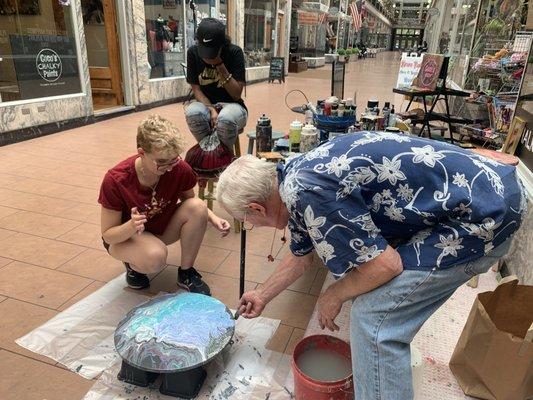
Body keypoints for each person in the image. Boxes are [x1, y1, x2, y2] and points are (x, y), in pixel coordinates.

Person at [215, 132, 526, 399]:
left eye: (249, 222)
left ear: (256, 208)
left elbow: (385, 266)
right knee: (370, 301)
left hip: (485, 216)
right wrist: (262, 294)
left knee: (373, 321)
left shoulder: (307, 192)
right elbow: (300, 255)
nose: (253, 225)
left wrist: (333, 295)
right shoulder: (290, 180)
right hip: (485, 189)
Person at [98, 114, 230, 294]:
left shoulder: (177, 168)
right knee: (155, 258)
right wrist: (130, 226)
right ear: (141, 152)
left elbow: (191, 203)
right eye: (161, 161)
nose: (168, 167)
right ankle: (133, 265)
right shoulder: (116, 179)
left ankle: (186, 273)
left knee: (197, 207)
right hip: (125, 236)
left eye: (173, 159)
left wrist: (213, 218)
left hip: (159, 228)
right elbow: (108, 236)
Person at [185, 18, 247, 151]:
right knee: (193, 112)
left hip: (234, 106)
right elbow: (196, 89)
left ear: (222, 44)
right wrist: (211, 108)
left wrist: (219, 64)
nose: (207, 56)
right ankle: (209, 154)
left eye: (212, 50)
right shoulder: (193, 53)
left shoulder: (234, 52)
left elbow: (236, 94)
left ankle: (223, 158)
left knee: (225, 118)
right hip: (206, 105)